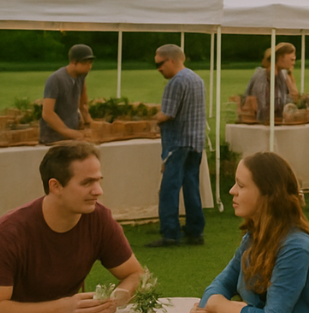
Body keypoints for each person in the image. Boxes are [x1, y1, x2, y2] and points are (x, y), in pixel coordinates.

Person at [0, 141, 144, 309]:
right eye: (87, 183)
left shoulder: (98, 219)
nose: (98, 191)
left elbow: (135, 274)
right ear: (55, 186)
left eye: (98, 181)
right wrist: (61, 309)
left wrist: (115, 299)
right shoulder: (9, 233)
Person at [197, 152, 309, 313]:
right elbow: (219, 285)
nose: (232, 191)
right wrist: (211, 306)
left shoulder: (296, 248)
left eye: (241, 186)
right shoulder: (255, 236)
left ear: (268, 195)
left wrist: (224, 307)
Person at [148, 44, 206, 247]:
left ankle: (170, 233)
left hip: (177, 142)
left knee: (169, 188)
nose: (158, 69)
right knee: (191, 186)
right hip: (196, 142)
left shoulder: (175, 82)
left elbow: (168, 114)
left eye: (160, 64)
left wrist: (154, 119)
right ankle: (195, 230)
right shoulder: (196, 79)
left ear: (170, 60)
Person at [40, 44, 95, 144]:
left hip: (71, 136)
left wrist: (88, 125)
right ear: (74, 62)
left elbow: (83, 104)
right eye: (85, 63)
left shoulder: (81, 77)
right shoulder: (55, 79)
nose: (89, 67)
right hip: (53, 138)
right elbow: (47, 113)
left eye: (90, 63)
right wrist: (68, 132)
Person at [243, 43, 299, 122]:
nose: (293, 63)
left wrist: (289, 74)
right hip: (260, 122)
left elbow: (294, 97)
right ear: (280, 58)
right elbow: (257, 104)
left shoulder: (282, 75)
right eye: (291, 59)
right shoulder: (261, 76)